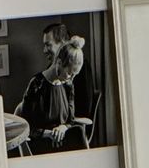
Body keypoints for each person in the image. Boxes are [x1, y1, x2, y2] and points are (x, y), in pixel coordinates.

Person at [16, 23, 100, 152]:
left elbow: (80, 112)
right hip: (44, 135)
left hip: (70, 130)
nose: (44, 50)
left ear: (62, 44)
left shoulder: (72, 74)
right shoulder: (46, 77)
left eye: (48, 45)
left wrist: (63, 127)